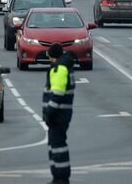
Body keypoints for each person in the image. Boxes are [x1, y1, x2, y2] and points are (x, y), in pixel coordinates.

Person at [42, 43, 75, 184]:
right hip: (62, 113)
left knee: (57, 146)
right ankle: (59, 176)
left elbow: (57, 94)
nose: (49, 60)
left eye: (49, 57)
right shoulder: (64, 66)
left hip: (58, 114)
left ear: (53, 57)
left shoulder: (59, 69)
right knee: (56, 146)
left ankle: (61, 177)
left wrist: (49, 112)